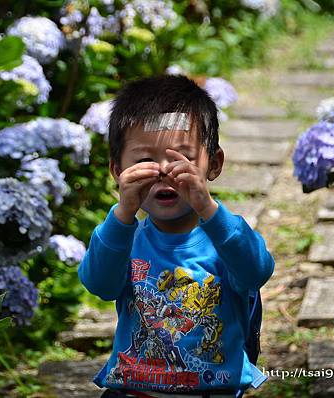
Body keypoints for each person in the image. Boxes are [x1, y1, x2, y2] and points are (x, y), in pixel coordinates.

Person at [78, 74, 275, 398]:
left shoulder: (226, 237)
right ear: (117, 171)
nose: (164, 171)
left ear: (213, 164)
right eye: (144, 161)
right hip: (134, 390)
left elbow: (257, 271)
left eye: (181, 158)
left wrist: (209, 208)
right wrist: (123, 213)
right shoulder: (124, 239)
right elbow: (99, 284)